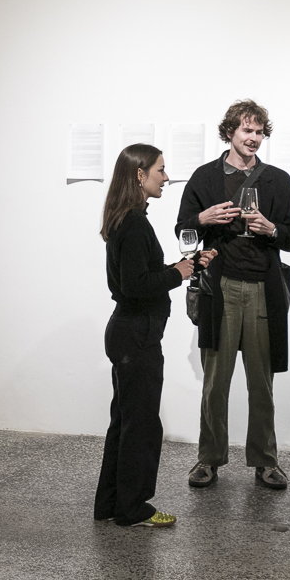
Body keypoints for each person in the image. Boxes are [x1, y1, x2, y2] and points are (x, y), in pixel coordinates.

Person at [175, 100, 290, 490]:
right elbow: (183, 231)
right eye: (247, 130)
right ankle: (209, 458)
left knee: (261, 383)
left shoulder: (278, 180)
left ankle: (266, 461)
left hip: (264, 288)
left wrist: (272, 229)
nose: (254, 138)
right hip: (221, 287)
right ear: (230, 131)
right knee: (216, 382)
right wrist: (202, 219)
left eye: (260, 131)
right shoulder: (205, 177)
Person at [94, 144, 209, 528]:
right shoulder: (133, 224)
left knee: (126, 422)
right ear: (140, 175)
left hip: (129, 332)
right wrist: (178, 273)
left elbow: (141, 274)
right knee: (141, 426)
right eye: (160, 170)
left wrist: (186, 265)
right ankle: (133, 509)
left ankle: (110, 504)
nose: (166, 177)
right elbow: (136, 285)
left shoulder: (127, 219)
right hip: (136, 334)